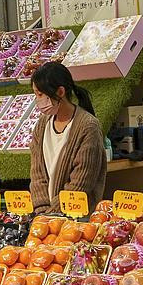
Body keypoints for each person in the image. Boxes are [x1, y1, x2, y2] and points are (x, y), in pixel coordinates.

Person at [29, 62, 108, 215]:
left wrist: (53, 214)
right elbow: (37, 173)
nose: (37, 100)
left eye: (40, 94)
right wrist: (42, 211)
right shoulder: (41, 125)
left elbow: (81, 182)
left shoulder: (87, 126)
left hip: (78, 216)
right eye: (35, 94)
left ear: (60, 92)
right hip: (47, 218)